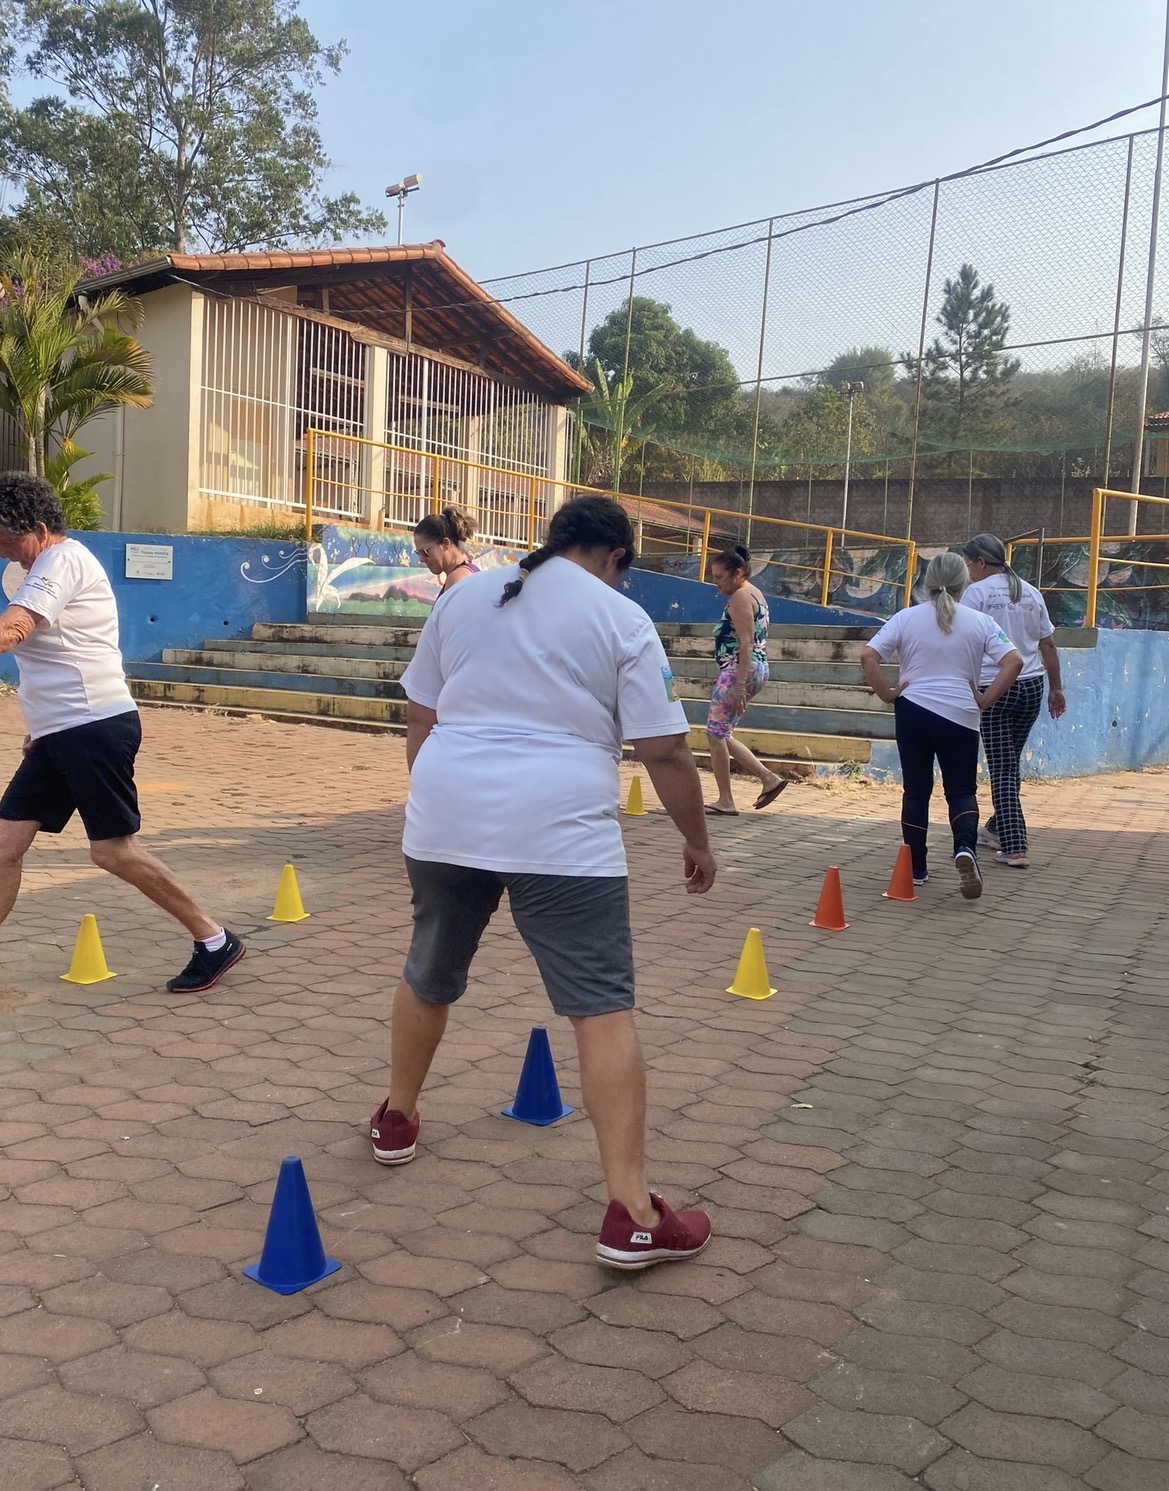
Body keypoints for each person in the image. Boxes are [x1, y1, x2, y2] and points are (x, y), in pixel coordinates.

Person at [370, 495, 717, 1269]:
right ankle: (632, 1212)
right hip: (558, 827)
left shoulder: (461, 597)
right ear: (614, 556)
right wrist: (696, 841)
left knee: (428, 968)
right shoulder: (621, 619)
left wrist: (437, 798)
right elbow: (664, 750)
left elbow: (421, 715)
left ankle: (396, 1116)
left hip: (446, 811)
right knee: (600, 1009)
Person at [0, 472, 244, 992]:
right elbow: (49, 656)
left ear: (39, 529)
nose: (2, 551)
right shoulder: (27, 568)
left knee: (112, 851)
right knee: (4, 846)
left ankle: (214, 939)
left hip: (93, 726)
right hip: (59, 733)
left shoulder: (62, 560)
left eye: (6, 539)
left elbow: (15, 629)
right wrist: (39, 727)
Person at [860, 550, 1023, 900]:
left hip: (913, 710)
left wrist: (887, 693)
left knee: (916, 790)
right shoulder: (980, 622)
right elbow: (1014, 661)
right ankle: (965, 848)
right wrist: (985, 699)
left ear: (928, 582)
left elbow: (868, 655)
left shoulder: (905, 617)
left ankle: (915, 868)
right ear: (965, 583)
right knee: (961, 790)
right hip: (961, 714)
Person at [961, 532, 1066, 869]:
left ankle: (1015, 844)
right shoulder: (1030, 592)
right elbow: (1047, 644)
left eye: (968, 565)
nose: (968, 572)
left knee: (1002, 768)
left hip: (995, 688)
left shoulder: (976, 593)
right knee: (1009, 763)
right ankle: (995, 827)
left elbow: (964, 642)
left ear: (980, 562)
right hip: (1032, 687)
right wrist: (1056, 688)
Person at [704, 545, 787, 815]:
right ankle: (768, 779)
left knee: (715, 734)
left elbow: (746, 642)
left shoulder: (740, 596)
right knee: (720, 732)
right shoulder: (755, 593)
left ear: (737, 573)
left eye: (719, 577)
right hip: (753, 669)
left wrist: (740, 685)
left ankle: (727, 800)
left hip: (739, 670)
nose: (715, 582)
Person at [413, 505, 479, 595]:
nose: (421, 559)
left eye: (425, 552)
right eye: (418, 553)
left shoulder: (457, 579)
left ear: (445, 543)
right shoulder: (469, 572)